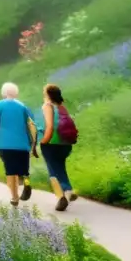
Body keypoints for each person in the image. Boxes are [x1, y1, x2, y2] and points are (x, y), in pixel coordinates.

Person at [0, 82, 36, 207]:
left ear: (3, 93)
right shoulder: (23, 106)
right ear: (16, 93)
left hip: (6, 144)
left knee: (11, 171)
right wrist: (32, 143)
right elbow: (31, 124)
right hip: (23, 144)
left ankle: (15, 197)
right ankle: (26, 181)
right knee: (23, 170)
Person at [38, 83, 78, 212]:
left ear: (48, 95)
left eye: (44, 93)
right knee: (60, 167)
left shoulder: (47, 106)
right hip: (66, 144)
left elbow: (49, 126)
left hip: (52, 143)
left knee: (53, 172)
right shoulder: (62, 107)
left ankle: (62, 196)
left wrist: (44, 141)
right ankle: (68, 190)